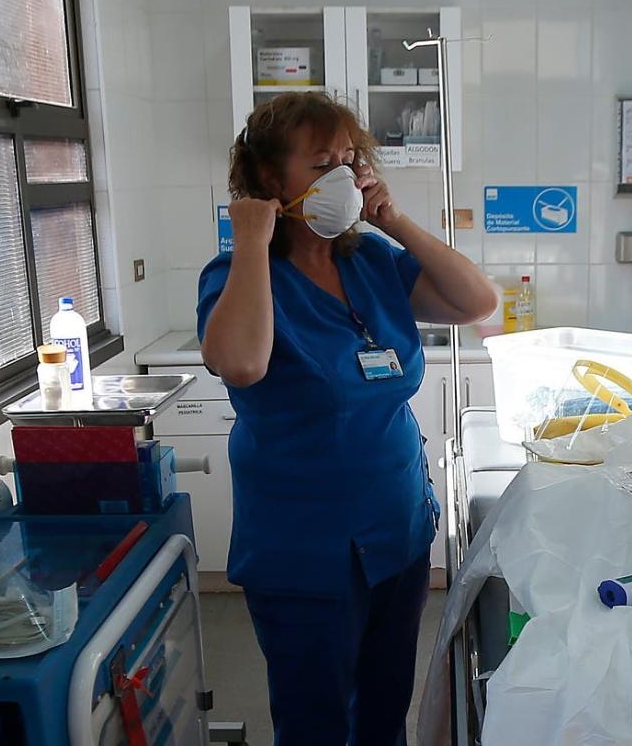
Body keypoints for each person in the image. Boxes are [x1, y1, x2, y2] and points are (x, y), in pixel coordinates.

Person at [197, 92, 497, 746]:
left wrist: (395, 220)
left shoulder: (372, 261)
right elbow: (240, 364)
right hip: (303, 552)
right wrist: (251, 239)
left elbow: (477, 302)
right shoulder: (240, 275)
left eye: (348, 160)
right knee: (316, 722)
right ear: (270, 178)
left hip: (396, 532)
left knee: (384, 713)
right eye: (319, 164)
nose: (341, 176)